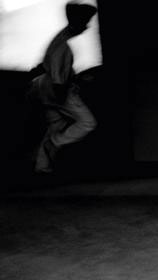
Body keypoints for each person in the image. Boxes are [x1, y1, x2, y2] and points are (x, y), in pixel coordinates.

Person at [30, 1, 98, 174]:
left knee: (55, 125)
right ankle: (55, 142)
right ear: (77, 22)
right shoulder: (63, 48)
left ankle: (42, 167)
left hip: (43, 89)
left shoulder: (60, 38)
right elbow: (59, 82)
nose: (87, 27)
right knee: (87, 123)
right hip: (55, 90)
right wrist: (67, 95)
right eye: (85, 22)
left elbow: (53, 68)